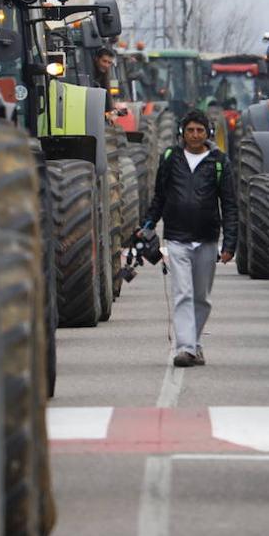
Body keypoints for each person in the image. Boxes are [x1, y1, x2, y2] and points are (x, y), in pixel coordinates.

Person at [142, 110, 238, 367]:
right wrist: (148, 225)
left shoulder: (219, 162)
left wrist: (230, 243)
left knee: (201, 298)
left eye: (200, 130)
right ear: (182, 132)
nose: (195, 135)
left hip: (207, 239)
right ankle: (185, 348)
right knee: (182, 293)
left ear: (208, 133)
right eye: (190, 130)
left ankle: (195, 344)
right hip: (176, 237)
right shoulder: (171, 158)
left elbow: (229, 204)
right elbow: (160, 197)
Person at [92, 46, 120, 125]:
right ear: (96, 59)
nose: (106, 65)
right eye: (104, 61)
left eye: (109, 63)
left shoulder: (105, 74)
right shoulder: (90, 73)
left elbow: (108, 93)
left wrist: (111, 112)